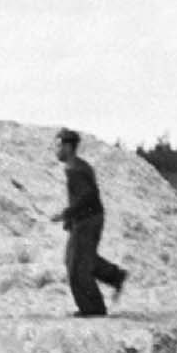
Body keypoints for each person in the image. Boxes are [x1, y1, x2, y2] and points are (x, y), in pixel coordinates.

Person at [54, 128, 126, 318]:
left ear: (68, 147)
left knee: (78, 266)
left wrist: (68, 214)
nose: (56, 150)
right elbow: (83, 197)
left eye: (59, 146)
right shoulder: (76, 166)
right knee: (76, 259)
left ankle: (94, 309)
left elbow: (88, 196)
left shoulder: (76, 169)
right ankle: (114, 275)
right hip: (85, 219)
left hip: (88, 221)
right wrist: (71, 218)